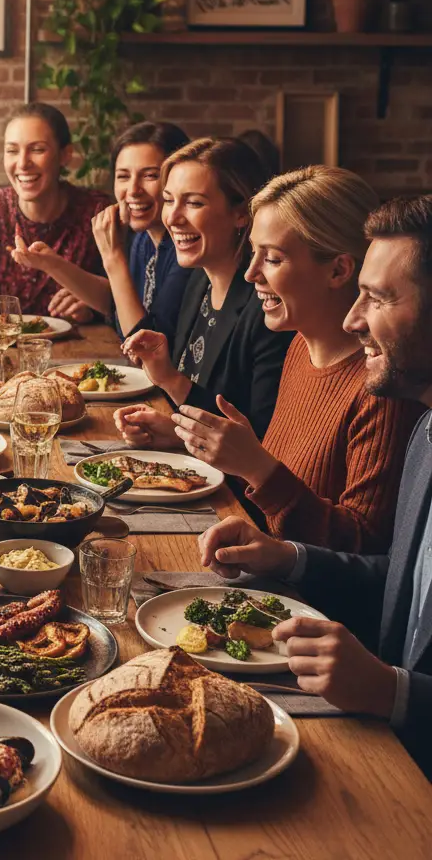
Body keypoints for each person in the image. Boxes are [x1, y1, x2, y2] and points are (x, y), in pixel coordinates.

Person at [197, 194, 432, 776]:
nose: (354, 319)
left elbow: (363, 537)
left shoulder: (397, 406)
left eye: (377, 300)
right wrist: (290, 556)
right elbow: (399, 578)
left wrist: (392, 690)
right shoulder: (429, 429)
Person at [169, 166, 422, 553]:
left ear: (338, 270)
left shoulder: (383, 385)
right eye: (252, 252)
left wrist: (256, 466)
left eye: (272, 258)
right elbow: (275, 505)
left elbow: (362, 548)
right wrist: (207, 445)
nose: (251, 273)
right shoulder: (299, 349)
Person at [116, 137, 294, 446]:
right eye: (169, 200)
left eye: (194, 202)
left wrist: (171, 380)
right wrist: (174, 432)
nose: (171, 217)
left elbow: (259, 440)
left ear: (241, 212)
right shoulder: (197, 279)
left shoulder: (268, 306)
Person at [9, 120, 192, 343]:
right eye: (123, 176)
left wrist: (112, 256)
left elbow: (143, 345)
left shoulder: (185, 248)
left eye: (150, 175)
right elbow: (115, 303)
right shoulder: (143, 237)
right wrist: (51, 263)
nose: (133, 190)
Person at [0, 103, 111, 320]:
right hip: (2, 345)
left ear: (65, 155)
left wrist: (92, 307)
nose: (23, 163)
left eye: (37, 149)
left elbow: (123, 299)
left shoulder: (95, 211)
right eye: (12, 151)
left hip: (81, 347)